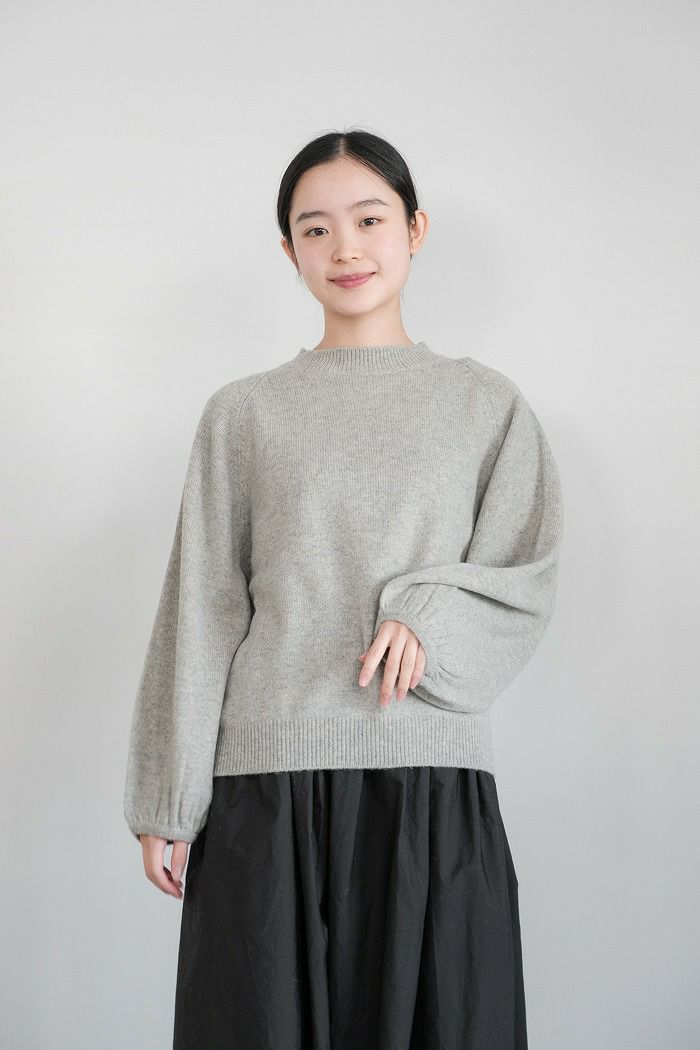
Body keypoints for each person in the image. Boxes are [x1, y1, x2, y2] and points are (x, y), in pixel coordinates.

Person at [123, 128, 564, 1050]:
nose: (345, 248)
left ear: (415, 229)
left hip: (428, 783)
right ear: (289, 251)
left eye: (369, 220)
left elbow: (524, 569)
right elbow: (203, 606)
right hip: (264, 787)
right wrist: (168, 796)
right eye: (315, 229)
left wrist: (426, 615)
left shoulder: (484, 404)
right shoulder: (243, 412)